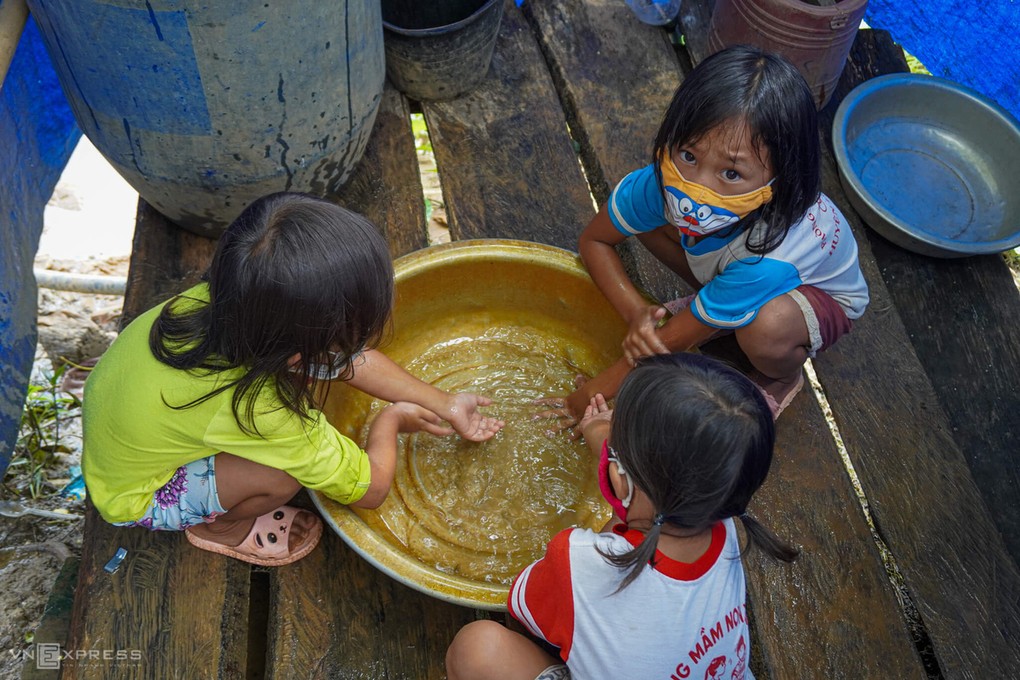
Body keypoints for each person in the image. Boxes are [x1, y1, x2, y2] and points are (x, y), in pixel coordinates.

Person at [82, 192, 504, 567]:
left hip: (126, 431)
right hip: (135, 492)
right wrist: (389, 421)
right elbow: (371, 490)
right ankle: (221, 531)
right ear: (301, 353)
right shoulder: (268, 415)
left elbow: (340, 360)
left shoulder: (232, 303)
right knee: (280, 477)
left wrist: (444, 402)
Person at [556, 45, 868, 422]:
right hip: (736, 270)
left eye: (731, 174)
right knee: (649, 223)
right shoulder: (660, 183)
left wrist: (580, 403)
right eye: (689, 155)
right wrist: (637, 312)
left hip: (814, 295)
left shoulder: (770, 259)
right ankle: (715, 308)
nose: (695, 189)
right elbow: (596, 240)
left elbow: (663, 348)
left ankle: (782, 378)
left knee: (764, 330)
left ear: (778, 180)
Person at [447, 353, 797, 680]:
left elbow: (527, 612)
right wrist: (606, 444)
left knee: (477, 648)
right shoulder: (723, 523)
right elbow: (649, 503)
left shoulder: (579, 561)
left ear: (618, 476)